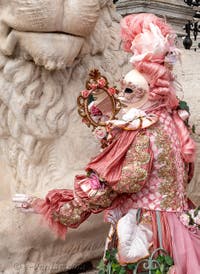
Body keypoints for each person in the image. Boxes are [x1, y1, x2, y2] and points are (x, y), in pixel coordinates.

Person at [13, 14, 199, 273]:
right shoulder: (173, 122)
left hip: (148, 232)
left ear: (150, 92)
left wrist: (48, 205)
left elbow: (110, 185)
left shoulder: (141, 130)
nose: (120, 97)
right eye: (122, 89)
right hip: (178, 226)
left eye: (129, 90)